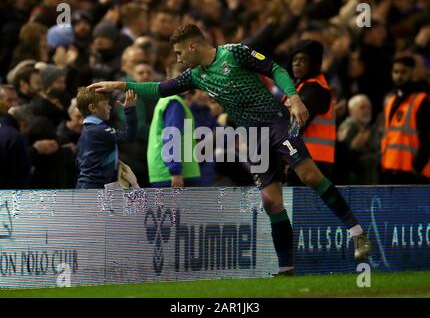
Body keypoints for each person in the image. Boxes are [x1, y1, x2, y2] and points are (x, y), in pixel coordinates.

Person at [89, 24, 371, 275]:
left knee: (310, 176)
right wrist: (121, 84)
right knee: (271, 203)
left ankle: (357, 232)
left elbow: (275, 69)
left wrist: (295, 98)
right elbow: (161, 88)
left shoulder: (234, 53)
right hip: (254, 137)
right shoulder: (196, 76)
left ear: (192, 45)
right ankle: (286, 270)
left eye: (178, 53)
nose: (177, 59)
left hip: (276, 123)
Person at [282, 39, 335, 184]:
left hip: (313, 163)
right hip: (302, 160)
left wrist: (284, 154)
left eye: (303, 60)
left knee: (304, 206)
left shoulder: (315, 89)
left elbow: (296, 125)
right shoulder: (298, 87)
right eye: (295, 59)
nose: (297, 63)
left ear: (313, 64)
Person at [147, 62, 200, 188]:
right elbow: (172, 136)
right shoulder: (174, 103)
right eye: (179, 77)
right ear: (169, 78)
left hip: (165, 172)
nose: (183, 82)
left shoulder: (168, 101)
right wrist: (175, 171)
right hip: (173, 175)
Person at [381, 56, 430, 184]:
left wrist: (418, 166)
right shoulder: (391, 101)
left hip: (413, 172)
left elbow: (427, 137)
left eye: (403, 72)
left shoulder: (421, 100)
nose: (399, 76)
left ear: (412, 73)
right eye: (395, 72)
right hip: (391, 168)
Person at [75, 87, 137, 189]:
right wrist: (130, 109)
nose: (110, 107)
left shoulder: (88, 130)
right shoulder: (98, 130)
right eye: (105, 104)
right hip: (95, 188)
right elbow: (129, 136)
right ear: (92, 108)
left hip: (87, 185)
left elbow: (78, 161)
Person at [337, 94, 379, 185]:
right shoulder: (346, 128)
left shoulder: (371, 129)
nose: (367, 111)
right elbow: (344, 161)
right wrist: (354, 148)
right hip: (353, 185)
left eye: (369, 107)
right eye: (362, 107)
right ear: (351, 111)